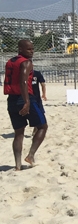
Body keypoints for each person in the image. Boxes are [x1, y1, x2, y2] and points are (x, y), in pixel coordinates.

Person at [4, 40, 48, 170]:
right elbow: (23, 82)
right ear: (20, 49)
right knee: (42, 127)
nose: (32, 51)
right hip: (24, 98)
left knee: (19, 133)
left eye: (32, 49)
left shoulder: (10, 61)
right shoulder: (26, 62)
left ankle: (18, 165)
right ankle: (31, 155)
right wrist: (27, 102)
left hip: (11, 100)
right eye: (29, 49)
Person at [31, 70, 47, 138]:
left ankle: (36, 128)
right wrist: (44, 94)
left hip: (35, 97)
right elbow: (43, 84)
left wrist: (44, 94)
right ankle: (37, 127)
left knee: (39, 112)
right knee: (37, 113)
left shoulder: (36, 73)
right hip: (31, 97)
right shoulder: (23, 73)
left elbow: (43, 84)